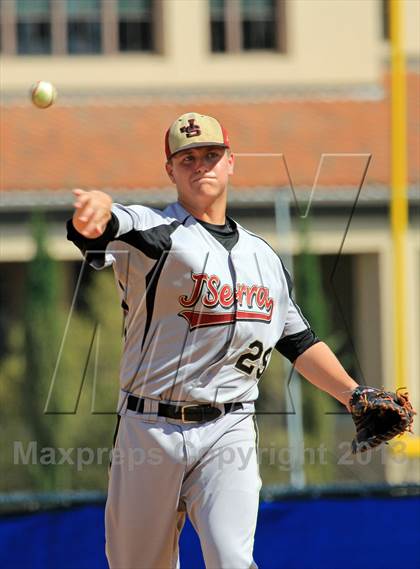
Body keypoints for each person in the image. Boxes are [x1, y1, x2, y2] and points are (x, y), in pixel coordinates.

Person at [67, 112, 358, 569]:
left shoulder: (263, 256)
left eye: (210, 155)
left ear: (230, 163)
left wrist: (354, 395)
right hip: (149, 428)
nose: (200, 165)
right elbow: (107, 227)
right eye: (187, 158)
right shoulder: (154, 232)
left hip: (229, 428)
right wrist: (96, 212)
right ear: (170, 170)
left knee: (231, 560)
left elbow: (298, 340)